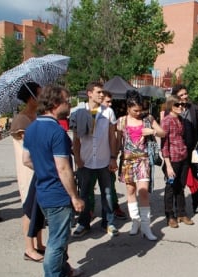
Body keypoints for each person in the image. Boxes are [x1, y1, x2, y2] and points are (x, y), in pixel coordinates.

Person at [22, 85, 85, 277]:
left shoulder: (31, 128)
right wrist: (75, 196)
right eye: (67, 101)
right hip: (57, 193)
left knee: (59, 235)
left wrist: (44, 169)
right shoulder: (57, 131)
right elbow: (64, 168)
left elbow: (27, 160)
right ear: (56, 104)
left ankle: (64, 269)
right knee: (58, 240)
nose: (69, 105)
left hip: (43, 190)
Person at [70, 82, 119, 237]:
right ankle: (83, 223)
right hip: (86, 160)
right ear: (89, 93)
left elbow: (112, 136)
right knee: (84, 194)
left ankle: (109, 222)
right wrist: (77, 158)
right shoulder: (77, 111)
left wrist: (113, 157)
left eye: (103, 92)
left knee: (108, 193)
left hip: (104, 160)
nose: (102, 95)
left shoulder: (108, 112)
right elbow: (76, 139)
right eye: (98, 92)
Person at [117, 90, 165, 239]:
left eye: (140, 109)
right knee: (130, 192)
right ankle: (135, 222)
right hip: (127, 160)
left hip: (143, 159)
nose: (138, 113)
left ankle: (146, 227)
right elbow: (118, 142)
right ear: (128, 107)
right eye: (135, 110)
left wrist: (152, 131)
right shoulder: (121, 121)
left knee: (143, 191)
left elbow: (163, 133)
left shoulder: (148, 118)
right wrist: (113, 157)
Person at [11, 82, 45, 262]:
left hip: (38, 168)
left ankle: (39, 243)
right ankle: (28, 248)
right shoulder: (21, 120)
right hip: (28, 169)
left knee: (37, 208)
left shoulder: (35, 116)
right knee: (28, 209)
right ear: (31, 98)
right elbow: (31, 143)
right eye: (40, 94)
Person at [161, 95, 194, 228]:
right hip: (172, 160)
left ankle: (181, 213)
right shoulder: (167, 120)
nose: (181, 107)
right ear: (170, 106)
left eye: (182, 105)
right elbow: (164, 144)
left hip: (183, 157)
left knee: (181, 186)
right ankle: (170, 216)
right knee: (170, 187)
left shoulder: (181, 119)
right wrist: (168, 165)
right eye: (177, 105)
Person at [171, 85, 198, 214]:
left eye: (185, 94)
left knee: (195, 177)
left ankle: (197, 203)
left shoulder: (194, 109)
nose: (185, 97)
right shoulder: (172, 110)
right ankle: (178, 206)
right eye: (181, 95)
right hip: (177, 152)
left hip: (192, 150)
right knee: (178, 179)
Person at [99, 90, 127, 220]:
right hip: (92, 157)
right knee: (88, 187)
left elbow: (115, 135)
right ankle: (88, 212)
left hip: (107, 156)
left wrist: (114, 156)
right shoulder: (89, 112)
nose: (110, 104)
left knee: (110, 185)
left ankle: (114, 208)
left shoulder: (110, 113)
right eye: (107, 101)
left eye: (111, 101)